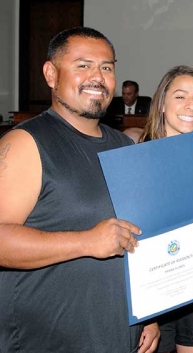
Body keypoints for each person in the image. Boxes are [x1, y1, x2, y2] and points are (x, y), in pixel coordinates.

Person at [0, 27, 158, 353]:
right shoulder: (25, 143)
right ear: (51, 73)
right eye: (83, 65)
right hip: (47, 338)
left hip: (116, 332)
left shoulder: (122, 146)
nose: (97, 77)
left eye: (107, 67)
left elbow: (134, 235)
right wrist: (87, 241)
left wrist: (150, 310)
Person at [133, 65, 193, 353]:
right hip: (153, 292)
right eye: (180, 96)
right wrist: (144, 315)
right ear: (162, 103)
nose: (191, 106)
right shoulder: (137, 155)